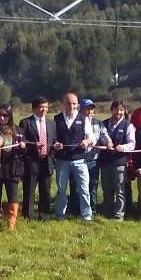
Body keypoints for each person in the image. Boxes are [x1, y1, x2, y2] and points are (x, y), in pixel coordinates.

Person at [52, 92, 94, 221]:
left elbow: (92, 138)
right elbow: (52, 138)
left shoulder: (83, 119)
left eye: (74, 103)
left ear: (77, 104)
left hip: (80, 160)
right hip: (61, 160)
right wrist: (55, 144)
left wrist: (86, 142)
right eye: (69, 103)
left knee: (84, 189)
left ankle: (86, 216)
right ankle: (60, 215)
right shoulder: (56, 119)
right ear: (64, 104)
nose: (71, 106)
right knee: (61, 189)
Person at [19, 95, 56, 220]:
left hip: (47, 161)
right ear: (34, 108)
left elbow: (54, 140)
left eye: (46, 107)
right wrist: (33, 146)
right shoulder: (26, 122)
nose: (44, 110)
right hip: (32, 161)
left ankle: (44, 214)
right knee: (29, 189)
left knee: (45, 189)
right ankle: (28, 215)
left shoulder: (51, 123)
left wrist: (56, 145)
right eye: (41, 107)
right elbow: (21, 142)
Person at [98, 100, 135, 220]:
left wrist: (123, 147)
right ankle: (107, 213)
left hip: (119, 162)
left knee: (120, 190)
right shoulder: (104, 123)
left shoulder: (128, 125)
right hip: (105, 162)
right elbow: (101, 138)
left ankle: (119, 215)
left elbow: (132, 144)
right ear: (111, 110)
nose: (118, 112)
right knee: (107, 189)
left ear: (124, 111)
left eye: (121, 110)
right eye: (116, 109)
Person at [0, 103, 26, 230]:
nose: (2, 118)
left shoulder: (18, 130)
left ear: (10, 116)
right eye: (0, 115)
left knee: (13, 195)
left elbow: (25, 150)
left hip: (12, 168)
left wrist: (23, 146)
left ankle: (11, 223)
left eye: (5, 115)